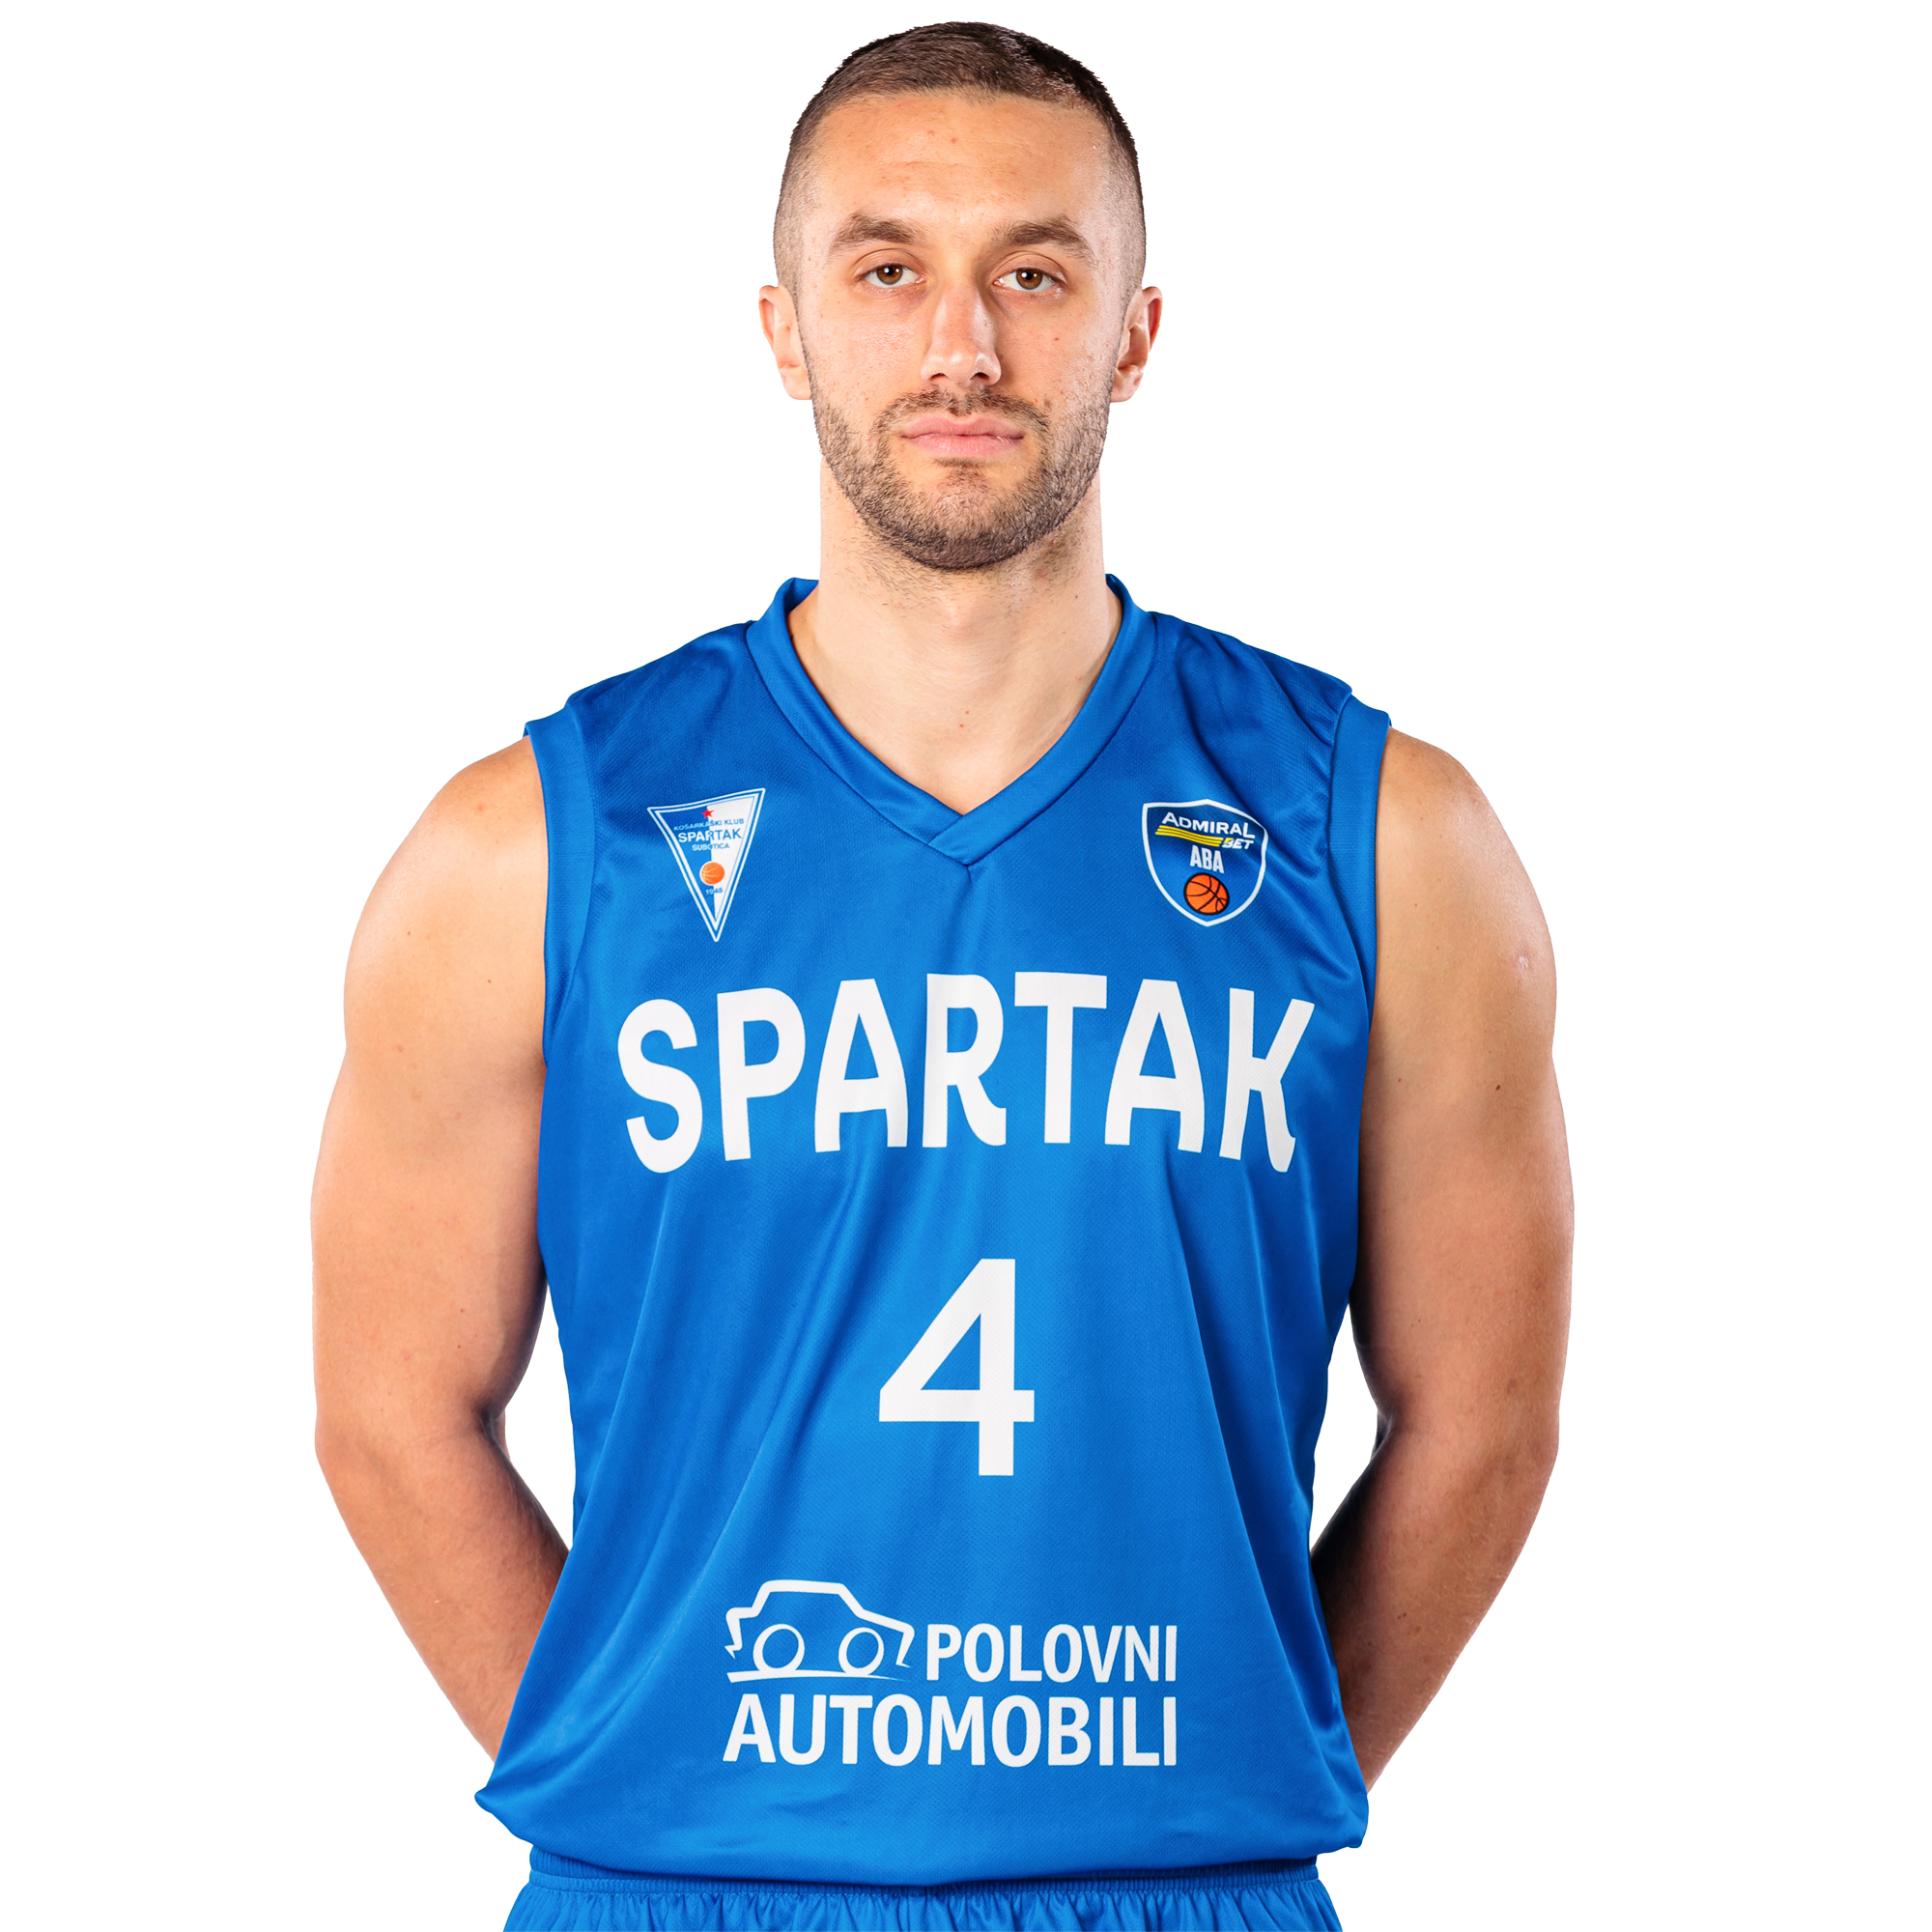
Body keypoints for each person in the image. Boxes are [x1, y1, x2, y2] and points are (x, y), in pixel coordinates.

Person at [313, 21, 1571, 1932]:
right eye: (887, 270)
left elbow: (1482, 1421)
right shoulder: (529, 852)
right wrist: (659, 1788)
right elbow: (388, 1410)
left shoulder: (1383, 842)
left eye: (1035, 276)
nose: (962, 346)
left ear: (1135, 334)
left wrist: (1225, 1794)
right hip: (681, 1892)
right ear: (785, 330)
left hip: (1181, 1888)